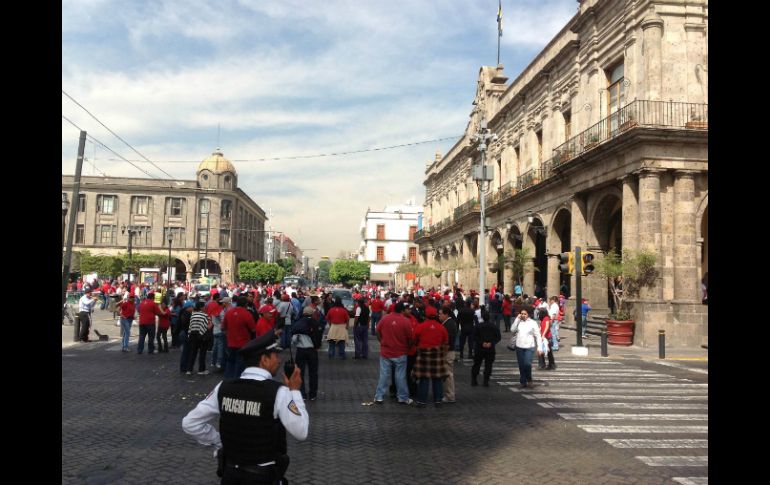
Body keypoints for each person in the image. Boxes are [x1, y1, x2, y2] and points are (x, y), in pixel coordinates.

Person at [182, 330, 308, 485]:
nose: (279, 360)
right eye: (275, 356)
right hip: (263, 476)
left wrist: (219, 441)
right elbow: (301, 431)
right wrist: (295, 391)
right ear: (264, 360)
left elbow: (190, 423)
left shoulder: (223, 387)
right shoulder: (278, 392)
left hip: (230, 474)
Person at [373, 302, 414, 405]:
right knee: (400, 376)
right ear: (402, 310)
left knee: (384, 375)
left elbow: (377, 331)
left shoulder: (385, 318)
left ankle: (379, 396)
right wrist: (407, 347)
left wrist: (381, 341)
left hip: (386, 352)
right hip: (400, 352)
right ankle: (402, 397)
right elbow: (410, 338)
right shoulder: (406, 321)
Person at [412, 305, 449, 407]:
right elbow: (445, 342)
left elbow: (414, 339)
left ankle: (421, 401)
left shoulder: (420, 326)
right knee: (437, 379)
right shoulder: (441, 327)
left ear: (425, 315)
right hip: (437, 355)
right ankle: (438, 400)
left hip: (423, 355)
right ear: (436, 315)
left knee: (424, 379)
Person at [221, 296, 257, 379]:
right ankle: (237, 382)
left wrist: (228, 333)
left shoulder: (229, 313)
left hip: (230, 343)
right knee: (240, 364)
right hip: (243, 344)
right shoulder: (247, 314)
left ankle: (228, 381)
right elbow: (253, 329)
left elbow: (223, 328)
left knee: (230, 362)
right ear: (246, 304)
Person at [292, 306, 322, 401]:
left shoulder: (298, 323)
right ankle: (313, 394)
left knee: (300, 372)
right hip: (312, 350)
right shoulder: (315, 323)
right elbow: (318, 336)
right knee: (313, 373)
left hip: (300, 350)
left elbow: (293, 340)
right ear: (311, 314)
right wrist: (317, 346)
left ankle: (302, 394)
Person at [510, 309, 544, 389]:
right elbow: (512, 330)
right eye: (521, 313)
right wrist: (517, 319)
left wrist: (539, 347)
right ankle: (523, 382)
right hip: (519, 346)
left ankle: (529, 380)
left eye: (525, 314)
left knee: (527, 364)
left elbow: (538, 335)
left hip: (529, 347)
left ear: (528, 314)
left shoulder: (533, 323)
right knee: (521, 365)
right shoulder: (519, 322)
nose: (523, 315)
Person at [471, 305, 501, 387]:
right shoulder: (494, 326)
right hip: (490, 348)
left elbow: (474, 336)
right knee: (488, 365)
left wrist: (481, 343)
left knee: (477, 364)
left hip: (479, 348)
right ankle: (486, 381)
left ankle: (474, 380)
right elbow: (498, 337)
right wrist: (492, 343)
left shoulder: (478, 326)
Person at [438, 306, 458, 403]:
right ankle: (448, 394)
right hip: (448, 351)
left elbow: (449, 341)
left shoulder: (448, 324)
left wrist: (443, 352)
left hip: (448, 352)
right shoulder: (448, 323)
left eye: (440, 314)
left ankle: (450, 395)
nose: (439, 316)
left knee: (448, 374)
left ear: (446, 314)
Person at [187, 301, 212, 375]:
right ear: (201, 307)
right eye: (204, 306)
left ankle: (189, 369)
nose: (205, 308)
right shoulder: (205, 315)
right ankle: (201, 370)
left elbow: (191, 326)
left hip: (192, 335)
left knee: (193, 352)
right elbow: (208, 326)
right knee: (202, 353)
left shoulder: (193, 315)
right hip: (202, 336)